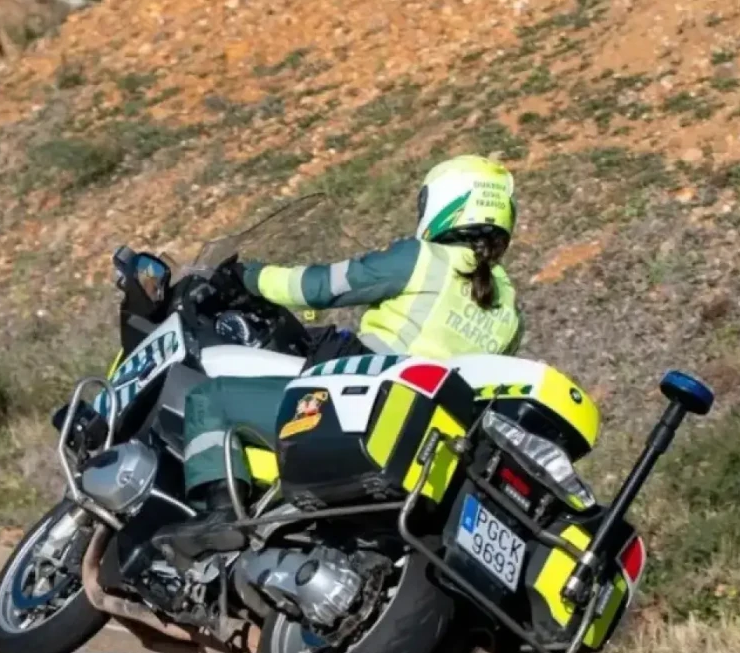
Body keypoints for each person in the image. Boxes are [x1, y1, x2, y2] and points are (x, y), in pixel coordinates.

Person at [135, 154, 526, 576]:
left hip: (352, 404)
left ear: (448, 203)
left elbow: (321, 286)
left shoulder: (424, 258)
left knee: (211, 399)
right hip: (419, 446)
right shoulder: (510, 312)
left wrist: (247, 277)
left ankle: (221, 514)